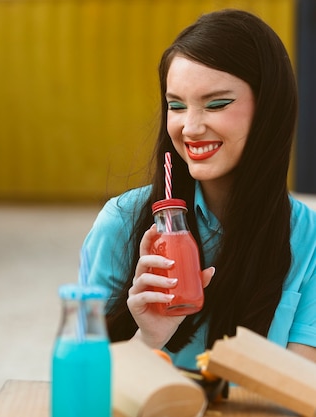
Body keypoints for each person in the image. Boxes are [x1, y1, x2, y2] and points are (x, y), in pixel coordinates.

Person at [80, 8, 316, 369]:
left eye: (216, 103)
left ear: (269, 108)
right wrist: (148, 338)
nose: (189, 127)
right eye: (176, 105)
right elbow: (80, 385)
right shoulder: (121, 223)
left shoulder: (308, 238)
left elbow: (301, 392)